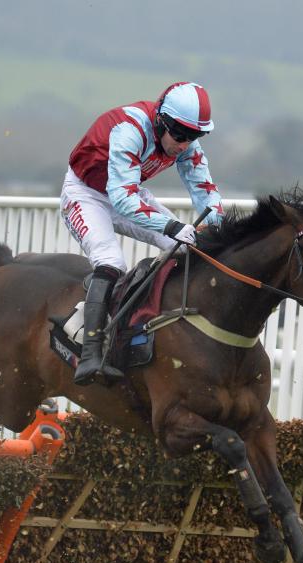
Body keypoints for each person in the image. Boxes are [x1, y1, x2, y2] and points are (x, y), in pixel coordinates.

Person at [61, 81, 225, 385]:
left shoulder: (185, 141)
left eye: (195, 137)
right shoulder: (130, 129)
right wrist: (173, 226)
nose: (185, 144)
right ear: (161, 121)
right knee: (111, 262)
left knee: (190, 248)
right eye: (179, 135)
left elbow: (205, 190)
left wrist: (217, 227)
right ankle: (90, 355)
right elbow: (121, 197)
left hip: (126, 192)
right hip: (86, 194)